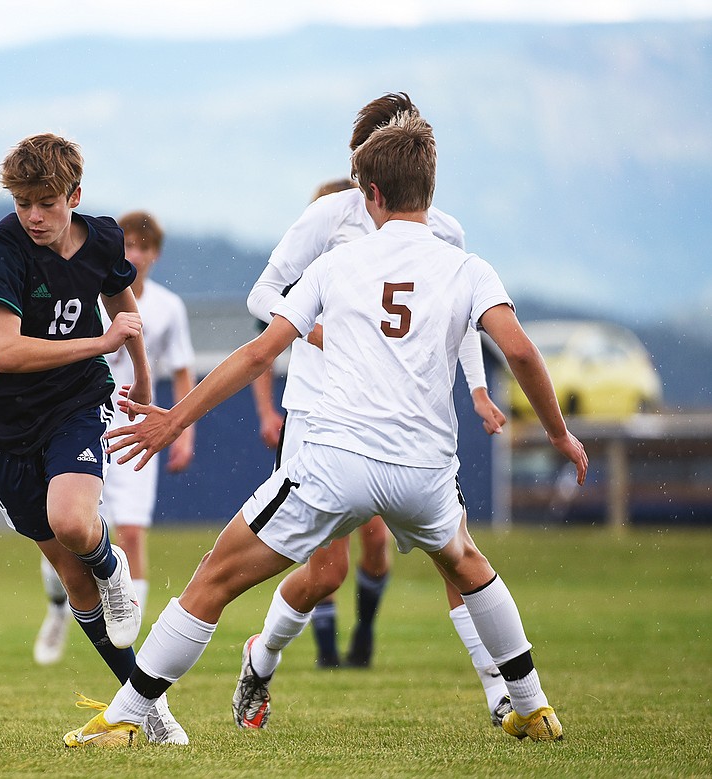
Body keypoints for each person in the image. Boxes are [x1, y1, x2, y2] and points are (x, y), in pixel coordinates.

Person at [63, 110, 587, 747]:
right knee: (469, 566)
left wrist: (175, 419)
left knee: (215, 579)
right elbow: (524, 352)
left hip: (334, 463)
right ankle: (529, 704)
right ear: (430, 190)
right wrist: (559, 434)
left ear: (370, 196)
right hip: (424, 471)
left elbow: (258, 354)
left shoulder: (338, 266)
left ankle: (124, 715)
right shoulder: (467, 266)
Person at [245, 94, 512, 733]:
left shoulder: (444, 233)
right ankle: (263, 656)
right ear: (363, 158)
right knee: (324, 573)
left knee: (457, 554)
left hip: (406, 419)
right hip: (321, 413)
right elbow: (263, 293)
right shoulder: (330, 217)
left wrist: (477, 389)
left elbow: (465, 317)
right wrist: (317, 334)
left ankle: (500, 692)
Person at [0, 132, 185, 744]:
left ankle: (112, 567)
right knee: (70, 572)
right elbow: (5, 353)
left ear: (74, 195)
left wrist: (140, 375)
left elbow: (123, 305)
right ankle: (149, 708)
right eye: (22, 203)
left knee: (72, 521)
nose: (33, 216)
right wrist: (103, 343)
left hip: (76, 403)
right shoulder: (3, 251)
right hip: (5, 424)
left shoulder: (105, 238)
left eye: (46, 202)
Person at [34, 210, 197, 667]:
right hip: (83, 419)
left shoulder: (167, 307)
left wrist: (182, 428)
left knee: (131, 532)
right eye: (128, 246)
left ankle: (133, 643)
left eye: (144, 248)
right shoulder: (85, 288)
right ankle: (57, 609)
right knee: (67, 531)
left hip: (133, 425)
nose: (135, 256)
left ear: (155, 255)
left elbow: (183, 368)